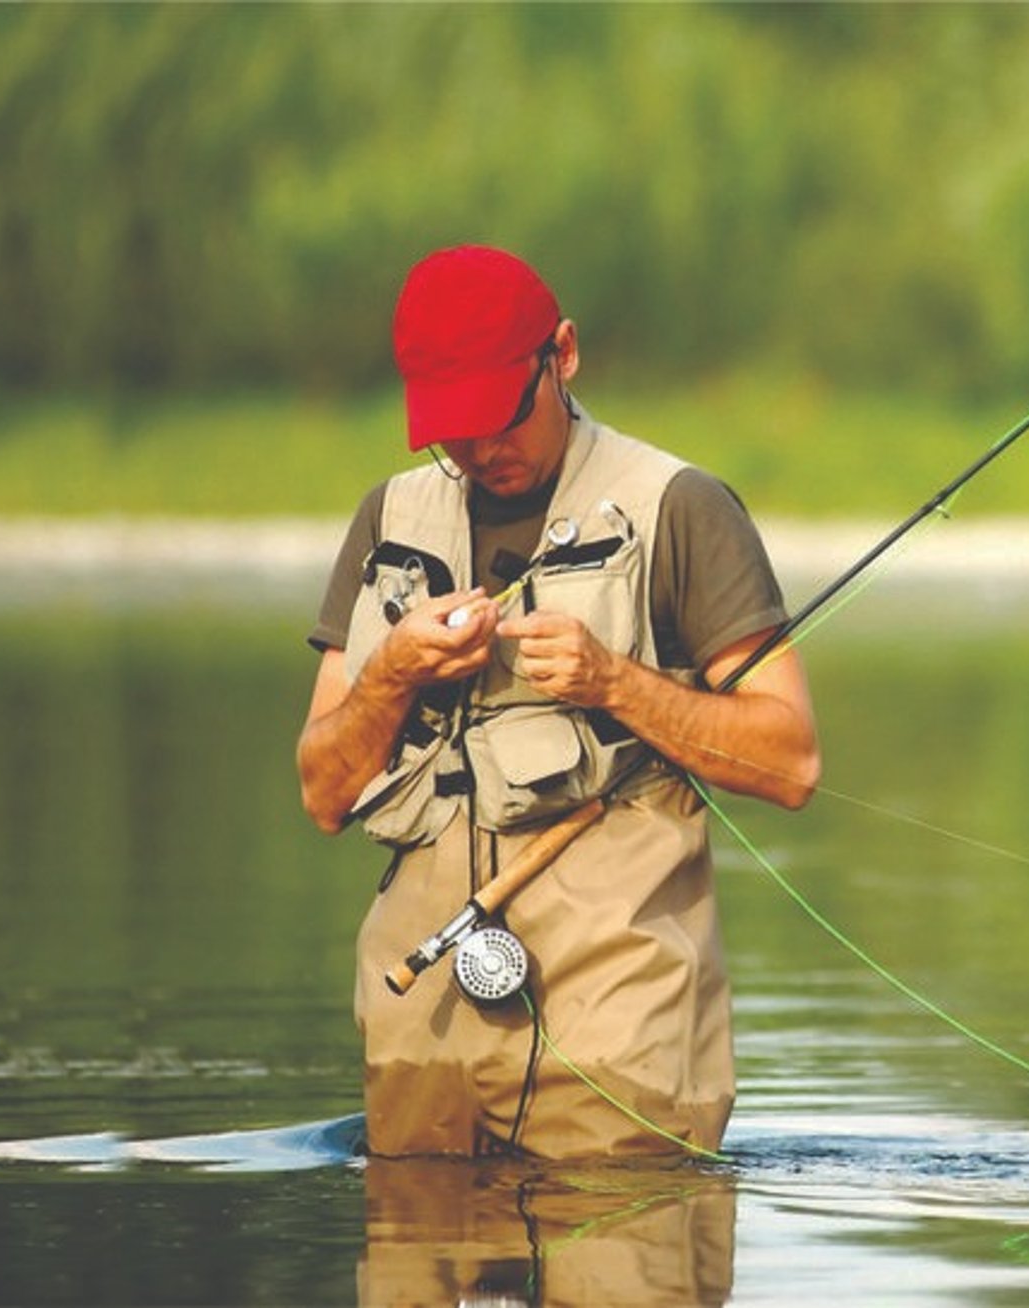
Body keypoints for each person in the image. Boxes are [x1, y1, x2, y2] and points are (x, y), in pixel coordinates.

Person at [296, 245, 820, 1159]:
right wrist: (392, 673)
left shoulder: (682, 508)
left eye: (500, 418)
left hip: (623, 1036)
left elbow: (790, 762)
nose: (480, 451)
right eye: (452, 430)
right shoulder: (388, 518)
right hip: (421, 1026)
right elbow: (323, 794)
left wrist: (614, 681)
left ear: (563, 356)